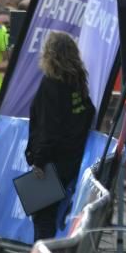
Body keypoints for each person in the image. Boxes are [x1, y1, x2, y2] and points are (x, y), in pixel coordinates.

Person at [25, 31, 94, 240]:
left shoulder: (51, 84)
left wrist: (39, 160)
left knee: (42, 217)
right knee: (50, 214)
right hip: (71, 158)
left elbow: (49, 127)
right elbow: (89, 112)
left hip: (51, 161)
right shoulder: (77, 81)